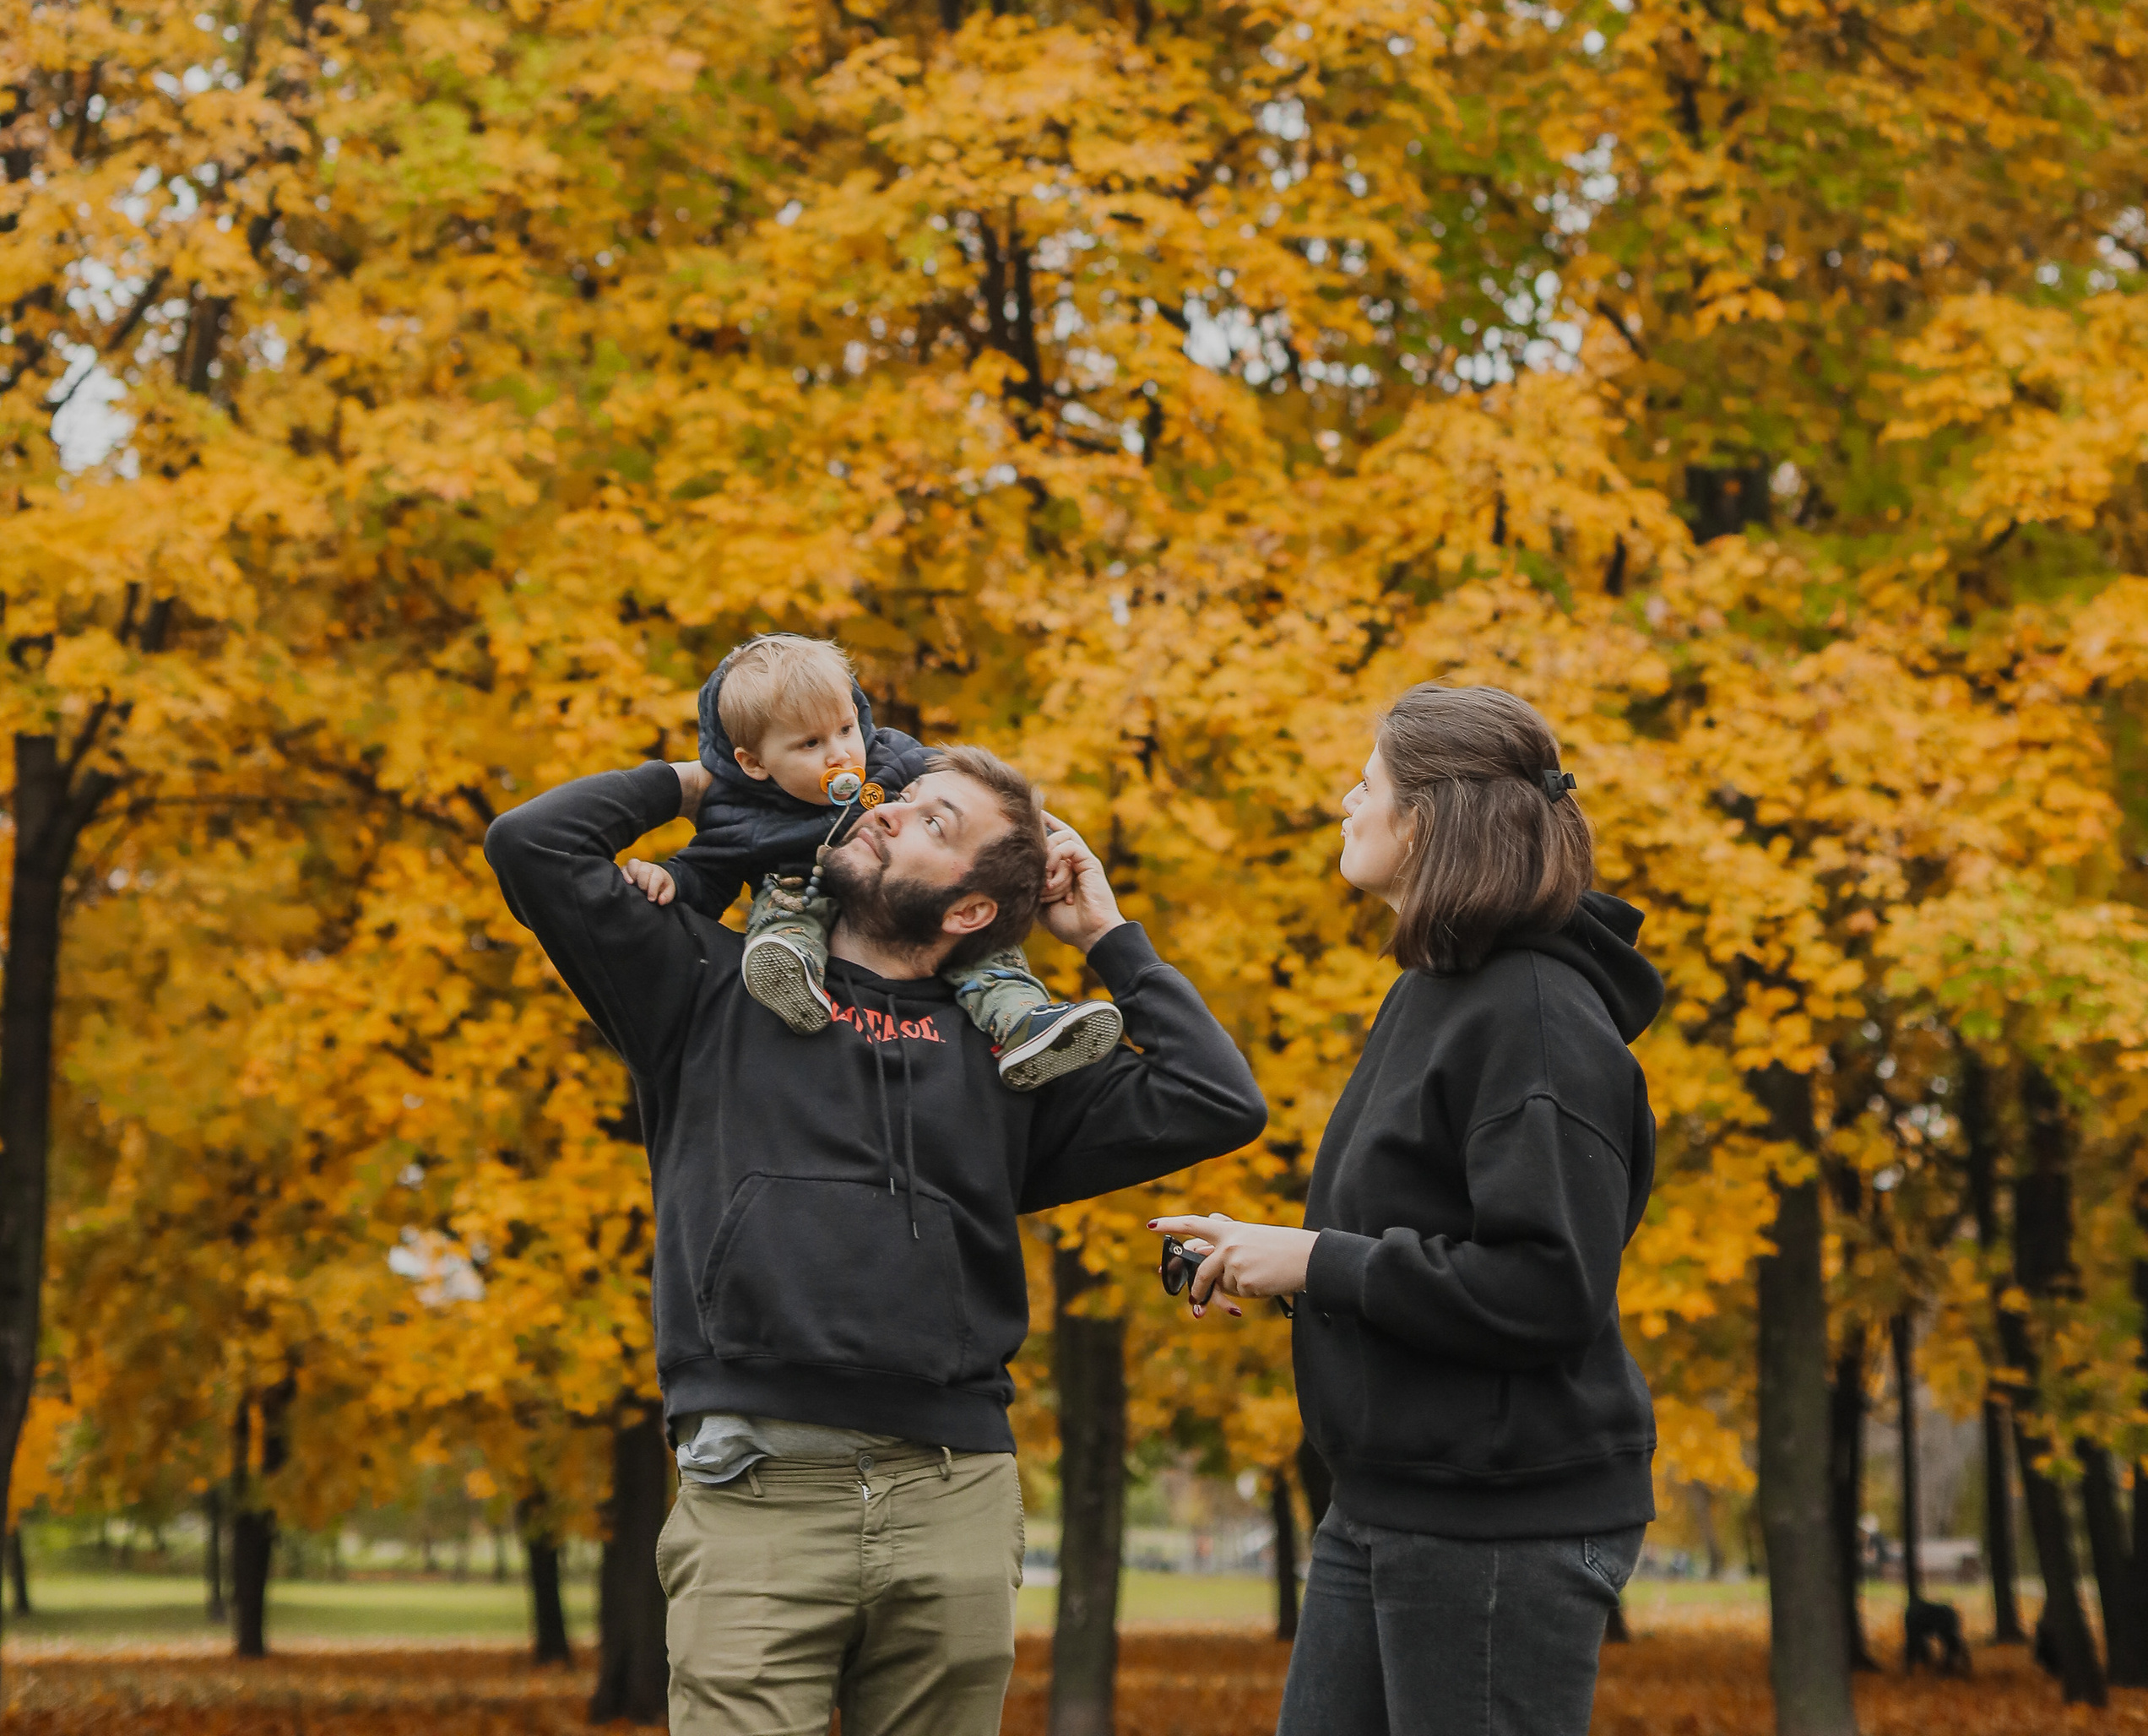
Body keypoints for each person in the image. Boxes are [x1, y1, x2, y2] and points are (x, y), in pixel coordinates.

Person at [485, 730, 1267, 1736]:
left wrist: (1109, 937)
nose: (886, 810)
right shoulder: (700, 982)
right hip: (754, 1492)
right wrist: (723, 780)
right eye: (894, 801)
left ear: (972, 909)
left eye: (932, 820)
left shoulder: (1016, 1051)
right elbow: (532, 844)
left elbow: (1214, 1098)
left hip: (954, 1496)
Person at [1155, 683, 1660, 1736]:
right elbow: (1412, 1242)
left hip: (1496, 1522)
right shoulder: (1433, 994)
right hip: (1386, 1500)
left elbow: (1547, 1287)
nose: (1347, 801)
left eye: (1369, 783)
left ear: (1430, 817)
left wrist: (1316, 1264)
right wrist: (1267, 1256)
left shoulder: (1535, 1017)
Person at [618, 632, 1125, 1086]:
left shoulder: (893, 762)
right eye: (811, 743)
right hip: (808, 899)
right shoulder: (740, 816)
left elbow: (988, 814)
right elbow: (706, 872)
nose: (839, 754)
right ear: (754, 762)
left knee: (984, 945)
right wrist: (668, 877)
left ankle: (1023, 1023)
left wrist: (1041, 848)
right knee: (786, 899)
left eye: (845, 728)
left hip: (907, 911)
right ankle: (789, 971)